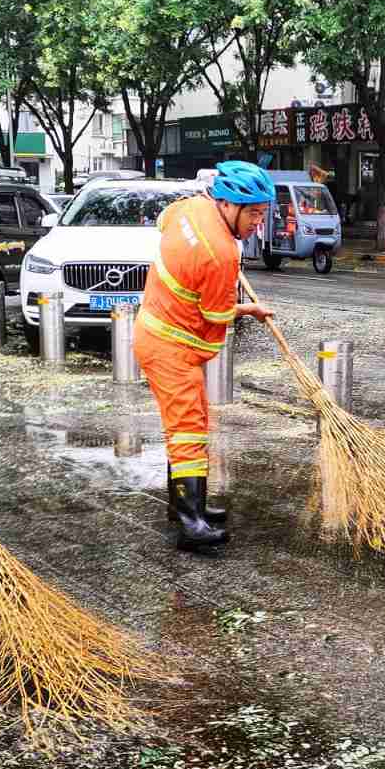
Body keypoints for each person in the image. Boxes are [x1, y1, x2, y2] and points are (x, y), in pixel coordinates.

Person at [135, 160, 274, 552]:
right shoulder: (221, 255)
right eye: (253, 214)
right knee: (188, 429)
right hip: (171, 345)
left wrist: (249, 306)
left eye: (262, 214)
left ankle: (185, 505)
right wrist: (242, 305)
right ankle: (189, 523)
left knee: (190, 424)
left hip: (158, 329)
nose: (257, 223)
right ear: (229, 205)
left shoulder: (191, 207)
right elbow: (215, 314)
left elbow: (164, 221)